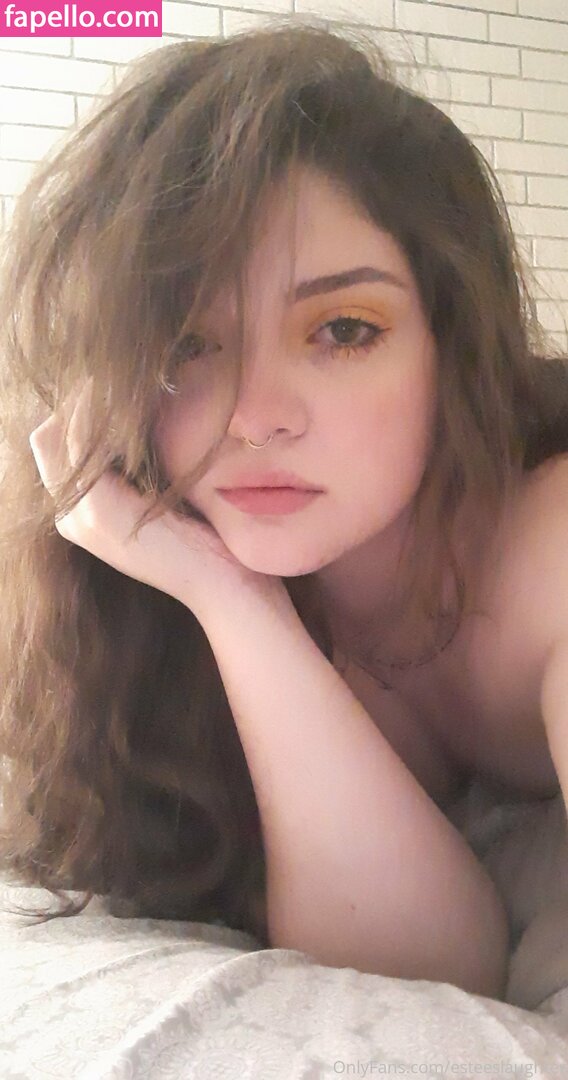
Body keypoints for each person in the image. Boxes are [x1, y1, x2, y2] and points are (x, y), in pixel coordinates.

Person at [0, 19, 567, 1002]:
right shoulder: (160, 624)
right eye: (186, 346)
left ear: (453, 346)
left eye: (342, 329)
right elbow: (428, 968)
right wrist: (231, 602)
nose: (253, 417)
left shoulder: (550, 546)